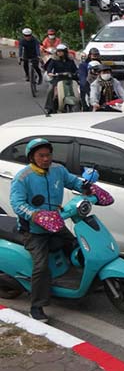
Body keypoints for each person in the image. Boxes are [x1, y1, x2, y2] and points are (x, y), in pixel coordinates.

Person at [9, 139, 87, 322]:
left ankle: (83, 282)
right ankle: (36, 306)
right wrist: (35, 215)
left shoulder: (57, 170)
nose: (46, 159)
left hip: (56, 223)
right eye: (41, 156)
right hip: (34, 231)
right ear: (32, 157)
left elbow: (73, 181)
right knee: (41, 266)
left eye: (48, 155)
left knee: (78, 245)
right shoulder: (23, 177)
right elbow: (17, 204)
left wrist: (87, 187)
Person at [44, 44, 78, 114]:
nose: (59, 53)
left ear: (65, 52)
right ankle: (49, 107)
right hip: (58, 79)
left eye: (61, 51)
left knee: (79, 89)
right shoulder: (54, 60)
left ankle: (82, 105)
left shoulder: (70, 60)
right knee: (51, 89)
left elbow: (75, 70)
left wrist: (75, 73)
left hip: (69, 79)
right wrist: (50, 73)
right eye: (58, 51)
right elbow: (49, 70)